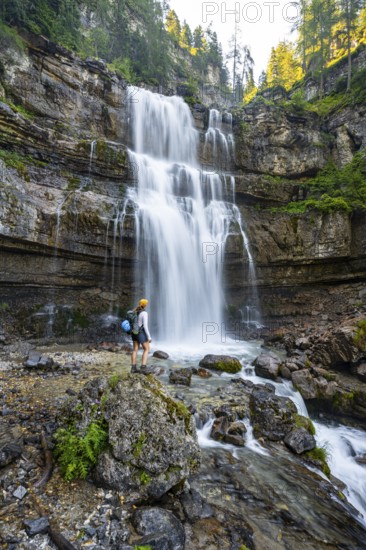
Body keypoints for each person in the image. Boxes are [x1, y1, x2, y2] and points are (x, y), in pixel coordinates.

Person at [131, 298, 152, 373]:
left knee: (135, 350)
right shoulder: (144, 313)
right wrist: (149, 337)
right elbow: (145, 326)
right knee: (146, 349)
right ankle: (143, 367)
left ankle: (133, 368)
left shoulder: (134, 311)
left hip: (133, 332)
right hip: (140, 332)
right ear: (145, 305)